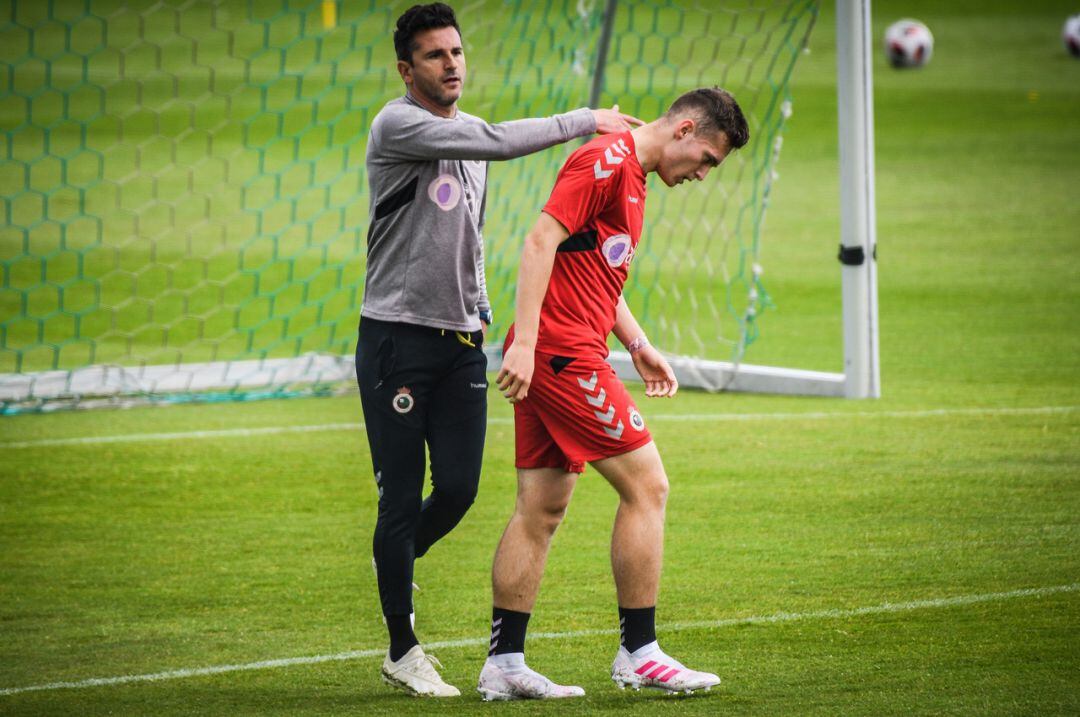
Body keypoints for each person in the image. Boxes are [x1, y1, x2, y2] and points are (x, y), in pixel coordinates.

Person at [357, 2, 642, 698]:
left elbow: (470, 237)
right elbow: (497, 140)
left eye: (456, 52)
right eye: (434, 55)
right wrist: (584, 119)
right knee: (400, 496)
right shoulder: (397, 124)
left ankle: (395, 559)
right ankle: (403, 645)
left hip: (461, 341)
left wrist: (484, 307)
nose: (451, 64)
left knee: (457, 488)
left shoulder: (465, 137)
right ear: (406, 69)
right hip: (396, 334)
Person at [477, 87, 750, 700]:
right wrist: (522, 345)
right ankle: (640, 652)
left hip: (565, 348)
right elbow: (540, 241)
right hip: (563, 354)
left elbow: (593, 266)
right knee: (648, 486)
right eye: (707, 157)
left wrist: (636, 341)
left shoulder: (633, 177)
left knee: (541, 506)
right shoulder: (605, 162)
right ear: (683, 129)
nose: (704, 174)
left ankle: (504, 664)